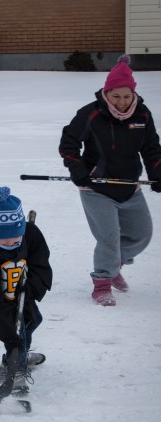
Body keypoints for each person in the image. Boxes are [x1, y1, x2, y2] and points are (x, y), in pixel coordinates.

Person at [59, 54, 161, 306]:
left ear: (133, 93)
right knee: (108, 238)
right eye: (116, 96)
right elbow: (68, 144)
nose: (122, 102)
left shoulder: (142, 115)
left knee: (141, 235)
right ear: (107, 93)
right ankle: (102, 283)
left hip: (129, 187)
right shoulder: (91, 114)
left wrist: (157, 174)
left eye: (127, 96)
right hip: (96, 187)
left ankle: (114, 263)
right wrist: (79, 170)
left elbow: (152, 149)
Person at [0, 187, 52, 394]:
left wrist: (31, 285)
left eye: (16, 240)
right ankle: (16, 367)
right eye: (4, 241)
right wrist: (9, 337)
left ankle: (19, 355)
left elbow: (41, 263)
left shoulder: (30, 234)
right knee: (15, 334)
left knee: (34, 320)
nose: (11, 244)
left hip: (24, 291)